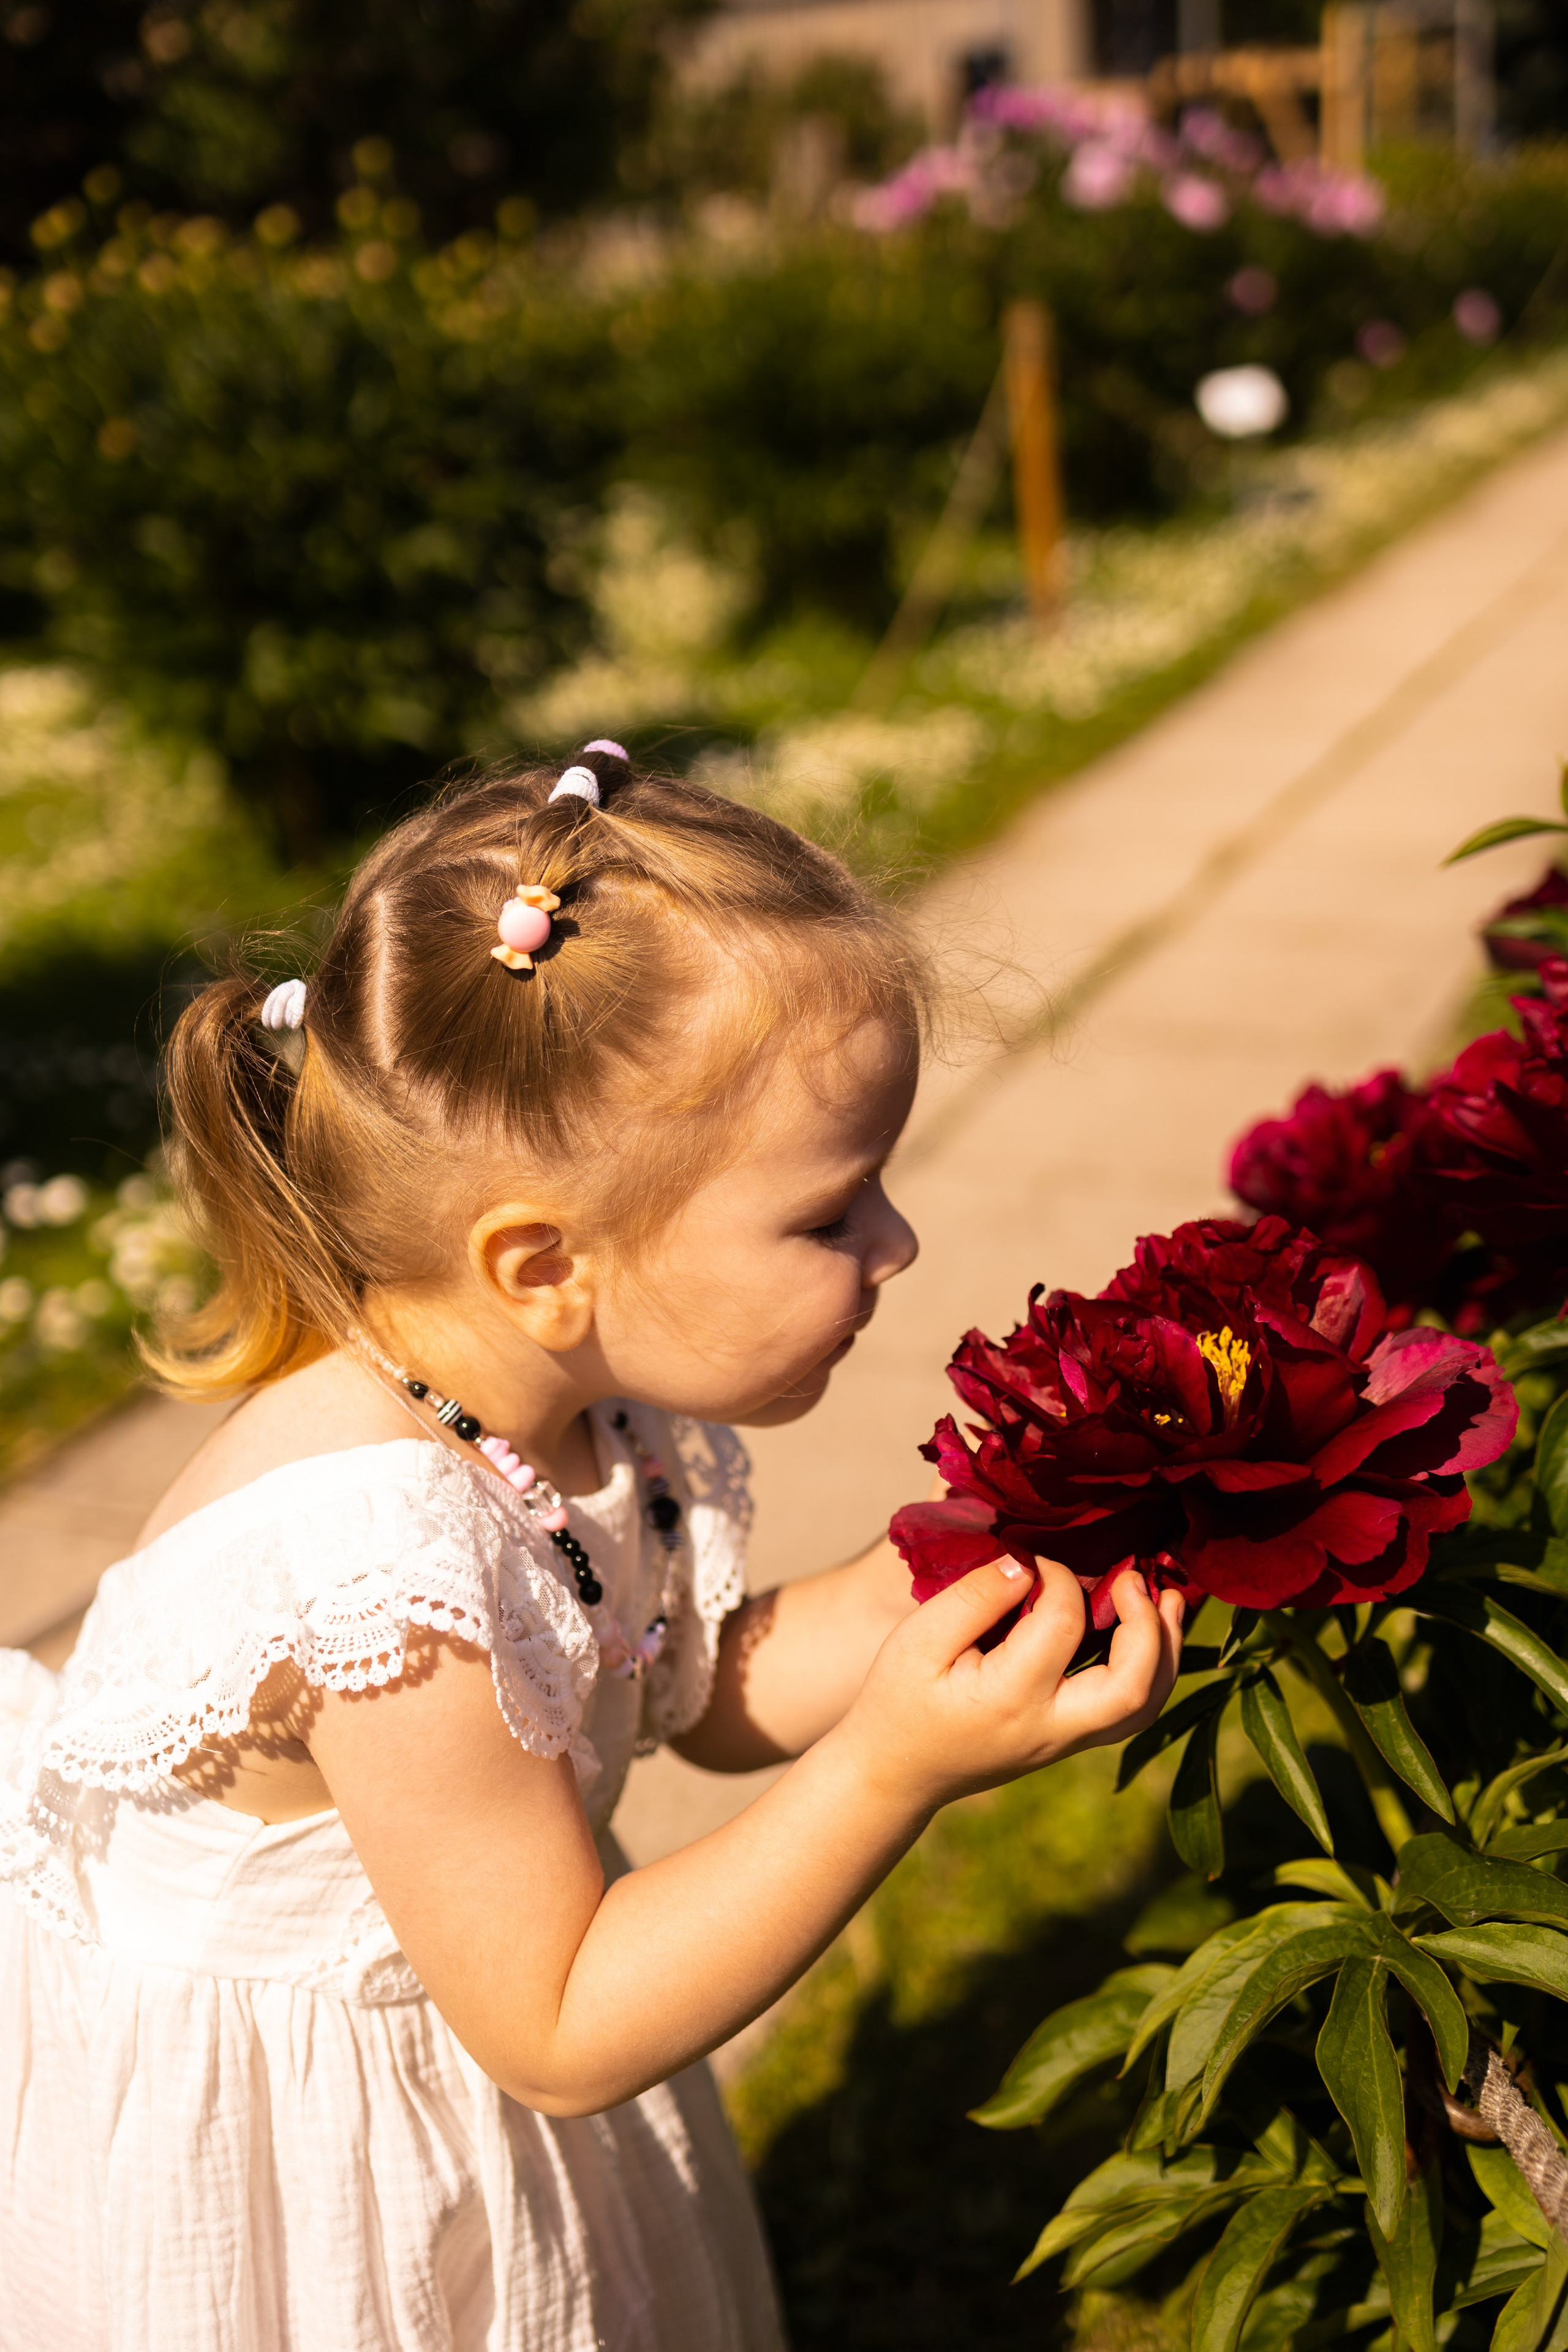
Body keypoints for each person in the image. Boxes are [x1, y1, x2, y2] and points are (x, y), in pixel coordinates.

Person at [0, 743, 1184, 2351]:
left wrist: (992, 1555)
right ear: (547, 1264)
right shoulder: (380, 1568)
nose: (898, 1245)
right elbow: (557, 2024)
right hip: (324, 2156)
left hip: (486, 2023)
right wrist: (892, 1768)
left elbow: (684, 1685)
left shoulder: (575, 1409)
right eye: (832, 1212)